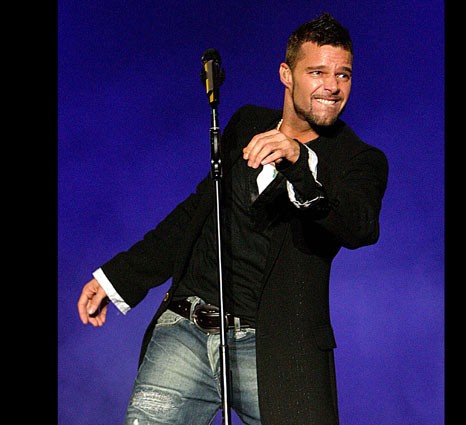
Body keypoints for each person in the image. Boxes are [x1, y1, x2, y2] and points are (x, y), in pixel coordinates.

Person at [77, 12, 388, 425]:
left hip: (277, 352)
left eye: (343, 74)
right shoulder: (246, 124)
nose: (332, 86)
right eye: (318, 72)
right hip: (186, 331)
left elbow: (359, 225)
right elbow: (197, 214)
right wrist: (118, 277)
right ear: (287, 74)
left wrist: (298, 162)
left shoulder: (359, 160)